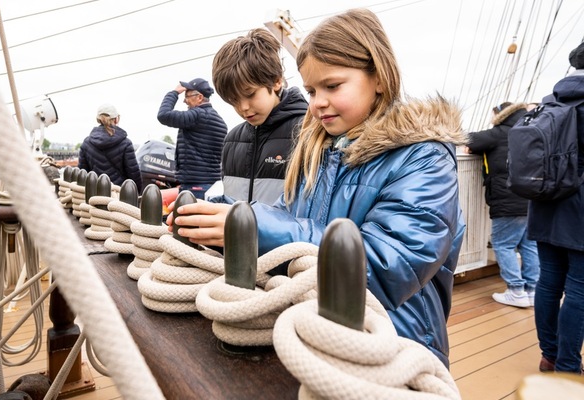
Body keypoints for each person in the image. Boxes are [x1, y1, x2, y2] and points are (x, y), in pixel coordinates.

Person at [169, 8, 467, 367]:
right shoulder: (321, 151)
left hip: (395, 346)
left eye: (332, 86)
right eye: (311, 89)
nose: (317, 102)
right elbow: (286, 214)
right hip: (319, 333)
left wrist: (257, 229)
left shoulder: (424, 159)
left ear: (380, 78)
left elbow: (391, 268)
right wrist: (228, 217)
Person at [530, 41, 584, 375]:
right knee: (579, 288)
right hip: (580, 210)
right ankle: (568, 365)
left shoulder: (550, 101)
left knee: (548, 282)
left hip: (544, 202)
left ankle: (549, 354)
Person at [210, 28, 308, 205]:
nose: (243, 108)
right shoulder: (231, 140)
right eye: (233, 100)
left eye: (250, 94)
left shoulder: (308, 132)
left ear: (277, 81)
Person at [466, 102, 539, 308]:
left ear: (500, 115)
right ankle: (532, 291)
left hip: (508, 200)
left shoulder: (499, 132)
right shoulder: (531, 130)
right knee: (529, 244)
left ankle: (516, 290)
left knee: (503, 244)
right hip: (532, 199)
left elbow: (468, 139)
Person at [157, 77, 227, 199]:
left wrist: (174, 93)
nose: (184, 101)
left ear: (199, 97)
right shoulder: (220, 121)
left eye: (187, 96)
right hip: (211, 184)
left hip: (195, 187)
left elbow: (163, 115)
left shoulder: (197, 115)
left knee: (188, 218)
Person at [78, 104, 142, 187]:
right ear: (116, 119)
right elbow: (134, 174)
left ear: (98, 119)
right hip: (119, 195)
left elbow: (82, 174)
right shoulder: (126, 143)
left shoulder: (86, 143)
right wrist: (136, 192)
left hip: (94, 196)